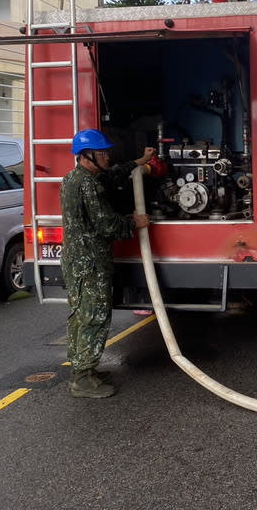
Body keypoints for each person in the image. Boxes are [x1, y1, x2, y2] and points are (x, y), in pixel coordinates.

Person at [60, 129, 161, 398]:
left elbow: (113, 173)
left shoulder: (74, 177)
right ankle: (82, 379)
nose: (107, 156)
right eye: (102, 153)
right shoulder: (88, 185)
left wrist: (140, 161)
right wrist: (134, 222)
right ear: (87, 156)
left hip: (77, 261)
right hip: (90, 263)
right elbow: (106, 225)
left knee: (80, 316)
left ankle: (85, 370)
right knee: (93, 317)